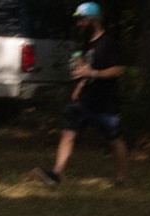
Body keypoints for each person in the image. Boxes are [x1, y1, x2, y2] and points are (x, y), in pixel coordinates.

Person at [35, 2, 129, 187]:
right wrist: (80, 83)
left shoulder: (108, 43)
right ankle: (56, 174)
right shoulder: (85, 45)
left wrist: (92, 73)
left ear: (93, 19)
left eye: (81, 20)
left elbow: (118, 70)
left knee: (114, 139)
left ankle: (121, 179)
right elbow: (86, 69)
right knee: (68, 133)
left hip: (105, 103)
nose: (79, 24)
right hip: (85, 101)